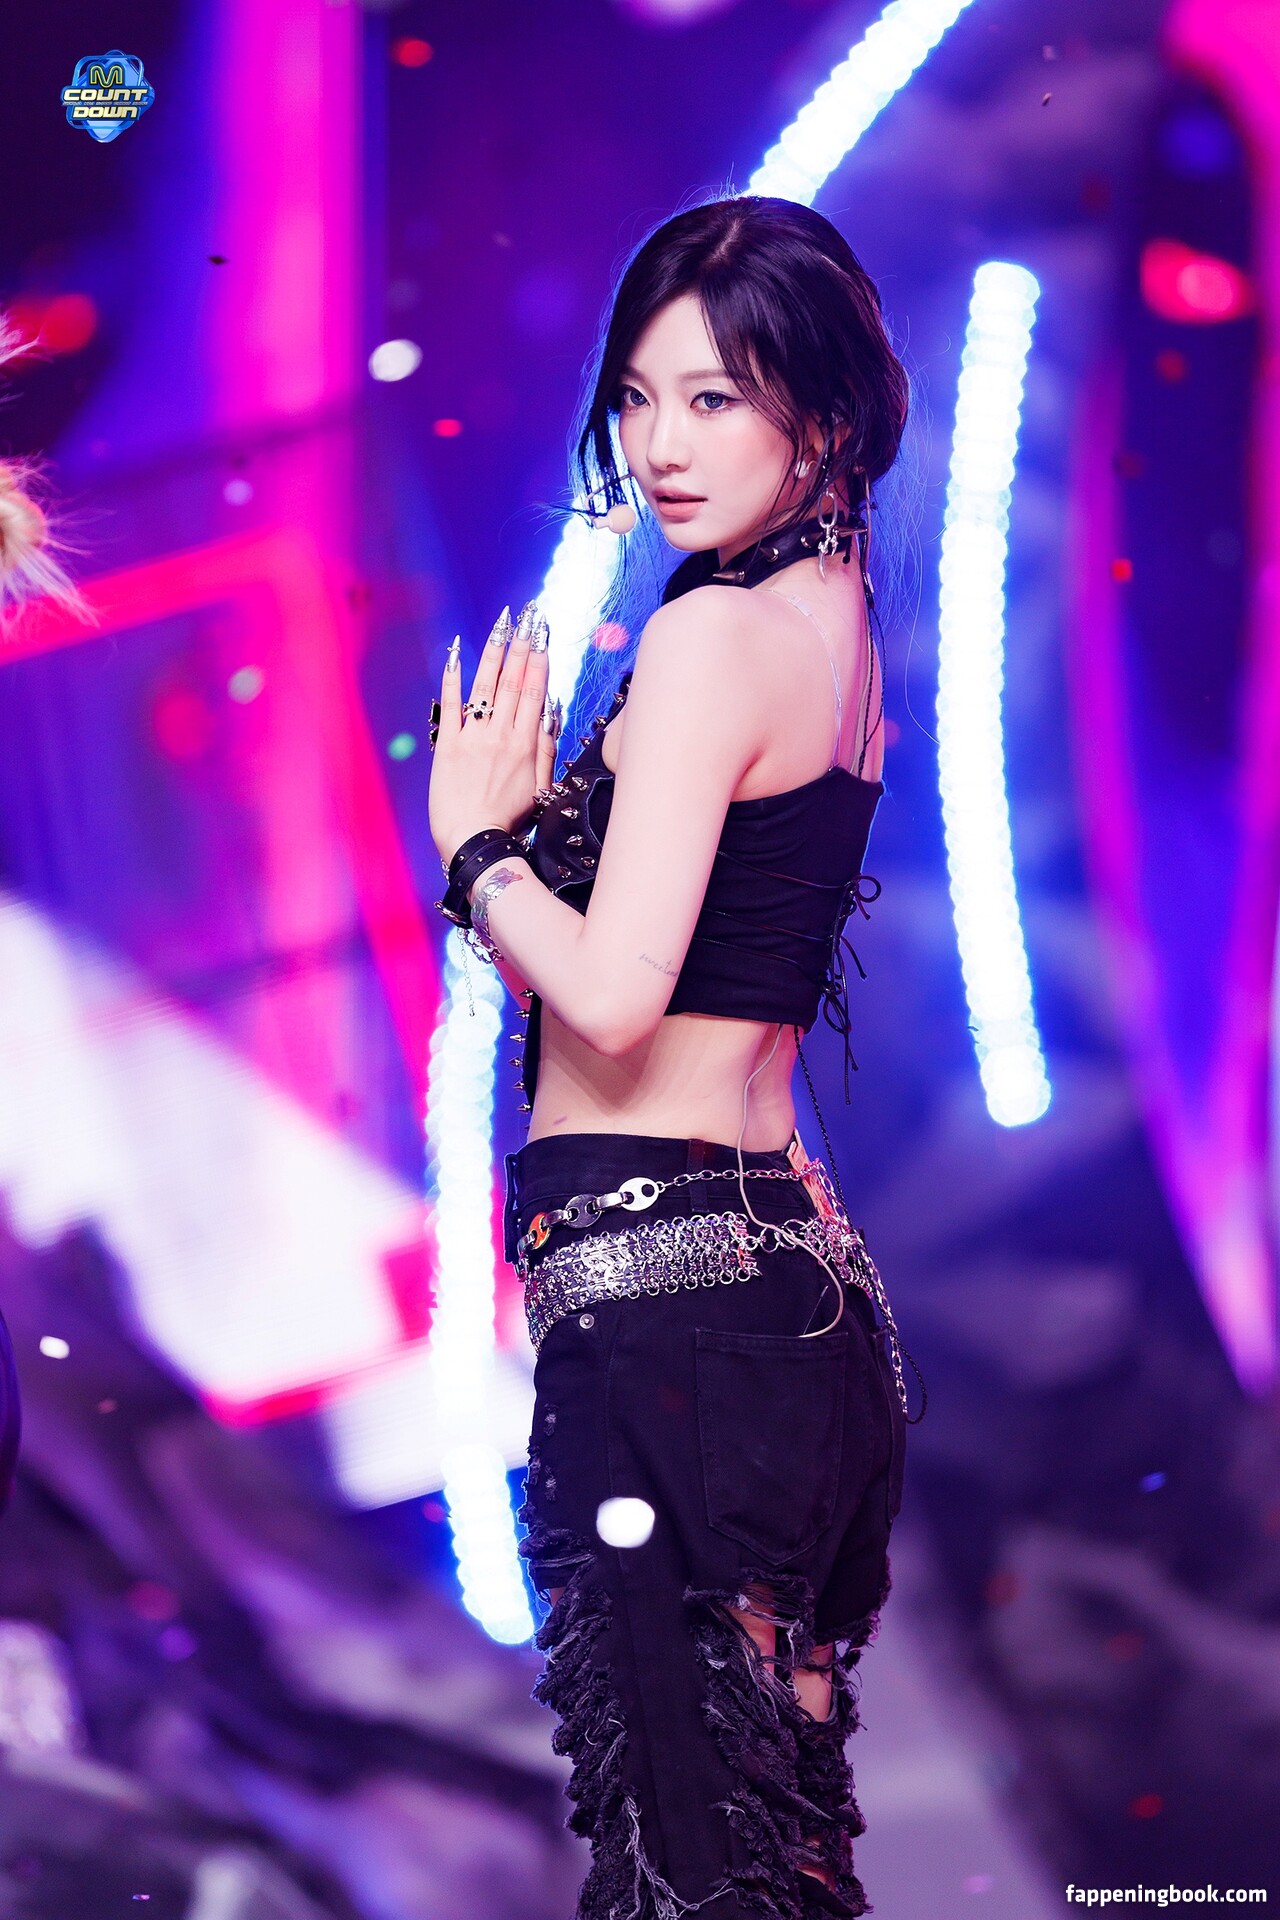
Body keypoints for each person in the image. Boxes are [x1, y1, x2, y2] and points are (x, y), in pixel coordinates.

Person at [428, 196, 914, 1920]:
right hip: (785, 1306)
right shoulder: (833, 618)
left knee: (695, 1881)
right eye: (637, 398)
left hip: (678, 1321)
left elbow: (619, 996)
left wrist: (478, 847)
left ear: (823, 413)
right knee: (779, 1864)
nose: (660, 446)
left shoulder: (714, 638)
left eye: (715, 399)